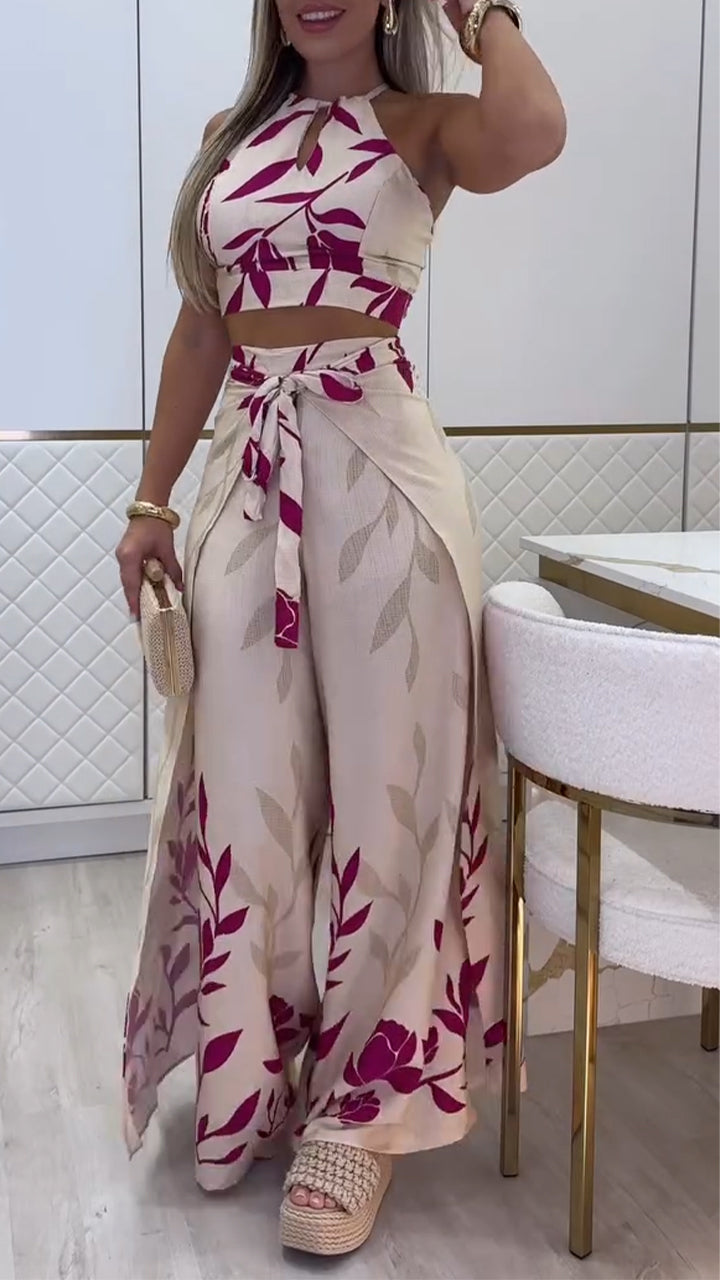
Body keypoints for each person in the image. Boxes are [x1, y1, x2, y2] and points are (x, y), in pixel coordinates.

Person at [118, 0, 565, 1256]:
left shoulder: (424, 125)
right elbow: (204, 325)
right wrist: (151, 499)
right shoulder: (229, 136)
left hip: (385, 487)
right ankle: (256, 1065)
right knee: (245, 786)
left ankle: (360, 1111)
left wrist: (481, 11)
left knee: (388, 795)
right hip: (245, 485)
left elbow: (534, 129)